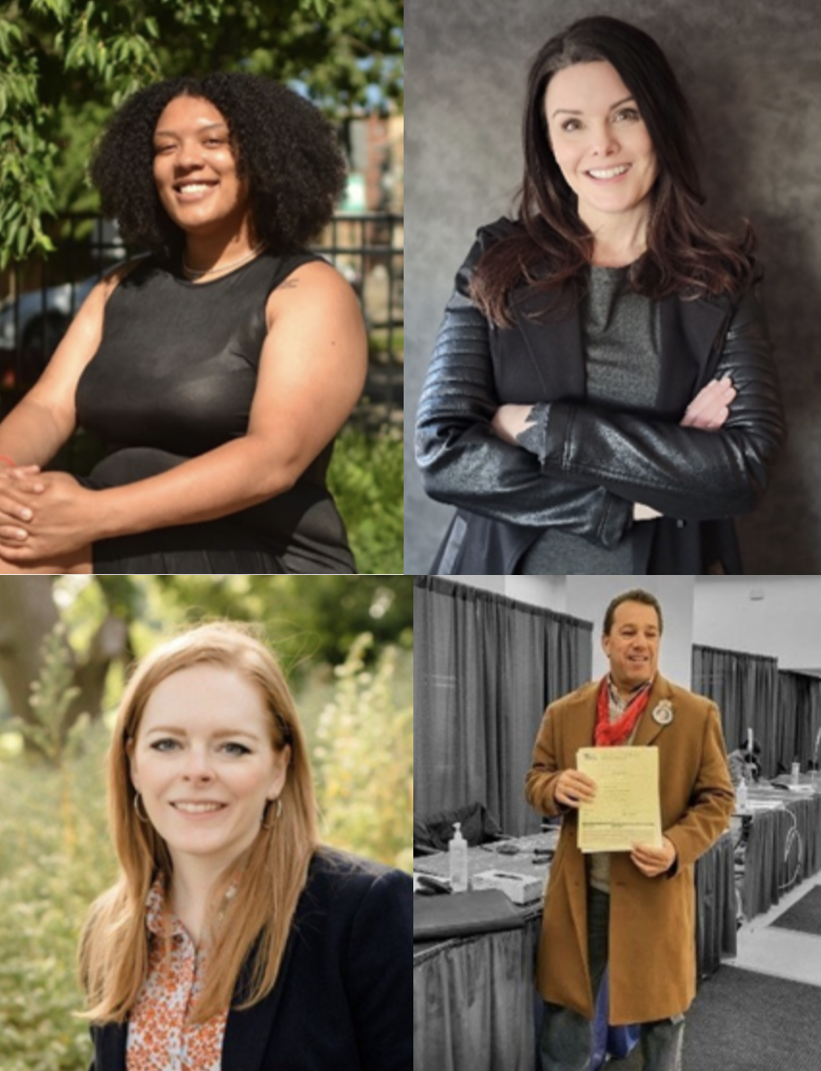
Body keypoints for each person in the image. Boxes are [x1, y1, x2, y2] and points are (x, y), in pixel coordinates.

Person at [415, 16, 785, 575]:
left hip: (668, 593)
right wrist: (633, 494)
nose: (601, 145)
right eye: (571, 125)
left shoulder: (724, 278)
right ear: (547, 142)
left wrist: (541, 427)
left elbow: (744, 469)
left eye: (626, 115)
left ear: (659, 121)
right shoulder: (497, 261)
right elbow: (443, 454)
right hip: (505, 587)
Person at [0, 72, 368, 575]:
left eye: (214, 141)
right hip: (111, 522)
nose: (186, 160)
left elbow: (273, 459)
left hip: (257, 547)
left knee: (3, 570)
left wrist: (94, 516)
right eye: (164, 147)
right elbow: (46, 406)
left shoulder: (307, 291)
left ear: (264, 157)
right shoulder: (119, 287)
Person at [79, 623, 411, 1070]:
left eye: (232, 748)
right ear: (134, 765)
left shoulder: (364, 914)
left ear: (278, 769)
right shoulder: (110, 929)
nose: (196, 770)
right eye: (167, 744)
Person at [525, 588, 734, 1071]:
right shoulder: (565, 712)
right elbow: (534, 781)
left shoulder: (695, 714)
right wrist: (555, 786)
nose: (641, 643)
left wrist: (675, 846)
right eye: (628, 632)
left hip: (653, 890)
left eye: (651, 633)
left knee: (663, 1014)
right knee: (567, 1006)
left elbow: (719, 800)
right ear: (605, 642)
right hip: (584, 892)